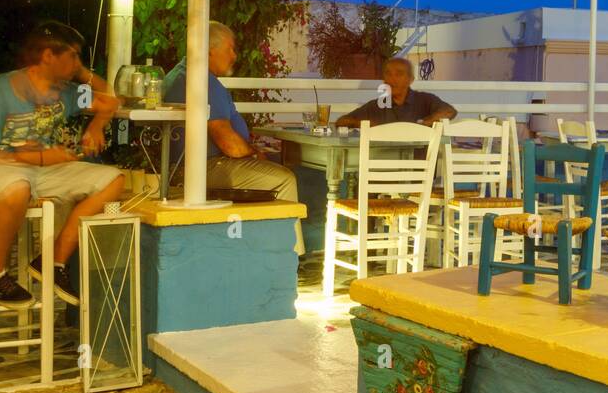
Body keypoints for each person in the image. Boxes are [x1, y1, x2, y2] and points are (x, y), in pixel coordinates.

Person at [0, 21, 125, 309]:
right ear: (48, 56)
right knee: (16, 187)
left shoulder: (67, 92)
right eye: (72, 55)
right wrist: (41, 157)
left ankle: (52, 260)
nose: (77, 63)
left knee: (113, 180)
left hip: (38, 172)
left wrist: (96, 124)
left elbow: (110, 101)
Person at [163, 21, 304, 255]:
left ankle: (260, 250)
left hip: (183, 167)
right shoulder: (202, 80)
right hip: (201, 169)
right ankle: (286, 258)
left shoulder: (179, 74)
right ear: (209, 49)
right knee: (284, 178)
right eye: (230, 48)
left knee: (273, 167)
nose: (234, 56)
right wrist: (253, 153)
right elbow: (229, 143)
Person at [335, 57, 457, 127]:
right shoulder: (376, 106)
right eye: (388, 73)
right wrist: (368, 125)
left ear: (410, 79)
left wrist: (423, 124)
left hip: (420, 169)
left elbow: (449, 111)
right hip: (383, 167)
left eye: (398, 74)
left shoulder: (425, 100)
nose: (392, 78)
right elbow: (341, 122)